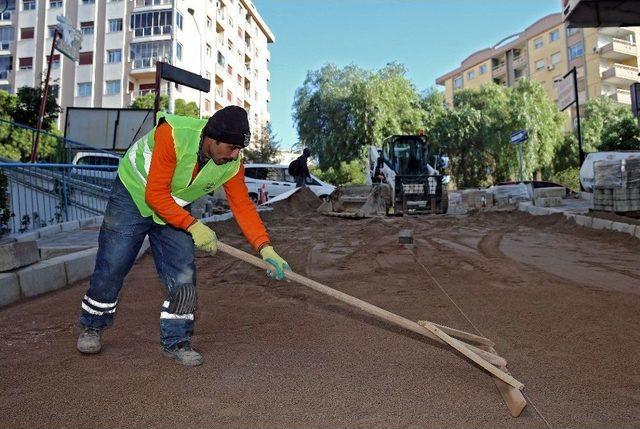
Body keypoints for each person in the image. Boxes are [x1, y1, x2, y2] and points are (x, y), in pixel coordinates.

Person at [76, 106, 290, 367]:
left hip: (172, 207)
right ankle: (92, 326)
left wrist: (265, 248)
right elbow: (154, 195)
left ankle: (177, 341)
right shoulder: (173, 134)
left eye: (239, 149)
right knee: (114, 263)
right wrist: (193, 225)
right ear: (211, 139)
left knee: (184, 273)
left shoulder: (232, 164)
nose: (236, 155)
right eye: (232, 147)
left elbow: (242, 206)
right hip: (132, 194)